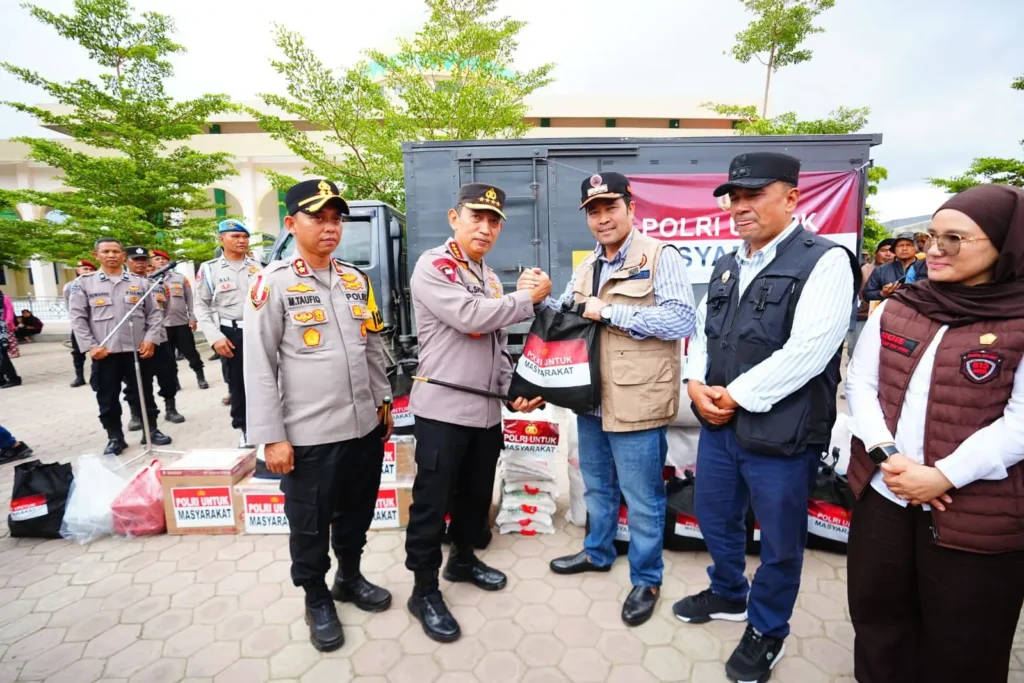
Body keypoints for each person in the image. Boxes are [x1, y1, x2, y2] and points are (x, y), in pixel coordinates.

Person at [673, 152, 858, 683]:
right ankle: (729, 592)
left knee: (779, 541)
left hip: (782, 430)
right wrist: (694, 381)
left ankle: (767, 629)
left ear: (792, 198)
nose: (740, 206)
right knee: (713, 513)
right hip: (721, 424)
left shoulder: (823, 260)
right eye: (733, 196)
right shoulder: (730, 262)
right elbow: (707, 334)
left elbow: (812, 350)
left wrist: (733, 394)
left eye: (754, 194)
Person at [844, 184, 1024, 683]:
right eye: (931, 236)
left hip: (976, 510)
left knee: (965, 637)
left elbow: (1020, 422)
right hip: (886, 491)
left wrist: (943, 475)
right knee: (879, 616)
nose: (935, 250)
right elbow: (861, 383)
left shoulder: (1018, 317)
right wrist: (887, 455)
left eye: (956, 238)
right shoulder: (902, 305)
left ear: (1004, 243)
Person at [539, 171, 696, 627]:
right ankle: (598, 553)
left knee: (643, 498)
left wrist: (610, 310)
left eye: (610, 207)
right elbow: (567, 314)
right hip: (590, 399)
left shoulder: (659, 255)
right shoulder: (587, 266)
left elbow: (681, 320)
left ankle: (647, 578)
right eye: (594, 211)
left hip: (638, 401)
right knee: (597, 487)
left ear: (631, 207)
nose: (603, 218)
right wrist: (539, 299)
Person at [245, 179, 395, 652]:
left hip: (362, 428)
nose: (330, 228)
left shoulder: (356, 280)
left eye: (336, 219)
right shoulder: (272, 284)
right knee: (309, 524)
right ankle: (315, 597)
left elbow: (371, 344)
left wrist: (383, 399)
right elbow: (259, 365)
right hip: (308, 435)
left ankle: (349, 577)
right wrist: (271, 438)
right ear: (291, 224)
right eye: (318, 218)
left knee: (356, 513)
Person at [404, 182, 547, 643]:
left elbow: (496, 347)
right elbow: (470, 317)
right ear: (454, 218)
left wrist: (513, 390)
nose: (486, 228)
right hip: (443, 411)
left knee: (473, 497)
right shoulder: (434, 266)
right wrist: (528, 299)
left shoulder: (486, 275)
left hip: (484, 413)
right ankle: (423, 589)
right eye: (476, 217)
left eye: (494, 221)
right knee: (431, 505)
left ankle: (461, 560)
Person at [68, 238, 171, 455]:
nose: (112, 255)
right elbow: (77, 318)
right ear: (96, 255)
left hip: (137, 350)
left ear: (123, 255)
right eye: (106, 251)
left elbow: (154, 313)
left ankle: (150, 430)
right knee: (107, 397)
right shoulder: (84, 284)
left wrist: (151, 338)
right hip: (105, 352)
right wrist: (90, 346)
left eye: (116, 251)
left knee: (144, 393)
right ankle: (115, 436)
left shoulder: (140, 282)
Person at [195, 220, 261, 447]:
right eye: (235, 236)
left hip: (261, 332)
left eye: (244, 237)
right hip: (231, 334)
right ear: (221, 239)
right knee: (238, 384)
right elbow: (201, 306)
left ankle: (268, 426)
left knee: (268, 380)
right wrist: (215, 338)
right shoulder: (209, 269)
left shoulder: (259, 266)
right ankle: (244, 429)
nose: (241, 241)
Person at [123, 247, 185, 427]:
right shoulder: (122, 286)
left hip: (160, 338)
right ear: (126, 261)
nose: (140, 262)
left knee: (168, 376)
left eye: (143, 259)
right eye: (135, 259)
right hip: (134, 341)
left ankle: (171, 408)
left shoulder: (158, 285)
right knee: (134, 381)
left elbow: (163, 310)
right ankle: (136, 413)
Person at [151, 249, 207, 389]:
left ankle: (200, 377)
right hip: (161, 326)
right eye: (157, 259)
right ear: (151, 262)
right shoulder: (147, 280)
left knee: (191, 352)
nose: (161, 261)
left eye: (164, 259)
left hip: (181, 322)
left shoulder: (180, 278)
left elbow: (189, 298)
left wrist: (192, 317)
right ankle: (174, 382)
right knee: (168, 357)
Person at [849, 238, 895, 352]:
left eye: (891, 251)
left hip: (889, 321)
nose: (888, 254)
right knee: (857, 351)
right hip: (863, 318)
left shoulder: (901, 271)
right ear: (876, 253)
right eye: (884, 250)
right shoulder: (864, 270)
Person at [863, 232, 927, 303]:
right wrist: (882, 293)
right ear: (894, 250)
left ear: (916, 248)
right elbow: (867, 294)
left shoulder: (925, 267)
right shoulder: (881, 270)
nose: (904, 249)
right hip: (889, 310)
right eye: (900, 246)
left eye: (909, 245)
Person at [64, 259, 98, 387]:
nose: (87, 271)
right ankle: (79, 376)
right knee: (78, 352)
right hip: (80, 325)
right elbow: (69, 306)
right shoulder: (70, 286)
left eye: (90, 269)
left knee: (98, 351)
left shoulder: (98, 284)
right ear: (78, 270)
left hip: (97, 324)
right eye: (85, 269)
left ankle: (95, 375)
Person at [0, 290, 20, 389]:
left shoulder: (4, 297)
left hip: (4, 330)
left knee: (3, 355)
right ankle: (1, 380)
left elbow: (9, 310)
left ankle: (13, 378)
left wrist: (6, 323)